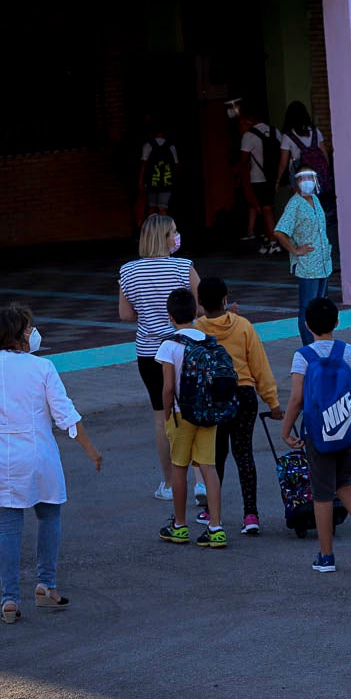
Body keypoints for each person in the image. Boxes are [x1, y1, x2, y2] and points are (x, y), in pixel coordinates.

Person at [0, 304, 102, 623]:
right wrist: (91, 450)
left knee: (6, 528)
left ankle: (9, 599)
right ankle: (46, 586)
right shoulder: (43, 368)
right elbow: (66, 415)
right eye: (28, 327)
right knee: (49, 516)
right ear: (22, 335)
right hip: (37, 455)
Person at [280, 297, 351, 573]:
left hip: (319, 434)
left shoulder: (303, 356)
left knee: (323, 494)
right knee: (345, 480)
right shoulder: (348, 352)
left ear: (306, 324)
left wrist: (285, 429)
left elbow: (296, 399)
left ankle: (326, 557)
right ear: (337, 322)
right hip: (350, 430)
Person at [118, 214, 202, 502]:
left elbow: (125, 314)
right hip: (184, 348)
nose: (177, 237)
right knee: (194, 410)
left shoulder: (128, 271)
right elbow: (200, 306)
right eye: (174, 232)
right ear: (166, 237)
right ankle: (200, 481)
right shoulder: (183, 267)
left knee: (162, 417)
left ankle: (168, 483)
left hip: (149, 352)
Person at [195, 277, 283, 535]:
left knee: (216, 457)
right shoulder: (243, 326)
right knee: (244, 455)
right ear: (225, 300)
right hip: (244, 395)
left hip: (214, 399)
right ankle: (251, 514)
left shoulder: (197, 330)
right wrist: (273, 401)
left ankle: (213, 512)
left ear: (200, 302)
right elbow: (260, 366)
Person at [156, 289, 227, 549]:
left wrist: (167, 416)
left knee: (179, 467)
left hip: (180, 413)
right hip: (208, 412)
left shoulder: (169, 345)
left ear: (170, 316)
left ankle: (180, 525)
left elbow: (166, 388)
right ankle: (216, 527)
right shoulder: (209, 340)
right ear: (196, 311)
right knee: (208, 467)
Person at [274, 168, 333, 346]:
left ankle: (320, 341)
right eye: (302, 178)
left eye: (311, 177)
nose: (307, 181)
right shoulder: (295, 204)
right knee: (307, 309)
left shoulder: (315, 199)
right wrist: (295, 250)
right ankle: (309, 345)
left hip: (323, 262)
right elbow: (279, 231)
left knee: (320, 306)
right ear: (296, 182)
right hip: (308, 264)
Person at [238, 111, 283, 254]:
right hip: (274, 177)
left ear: (249, 121)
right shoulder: (275, 131)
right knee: (270, 208)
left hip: (258, 178)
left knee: (265, 209)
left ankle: (273, 242)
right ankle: (270, 238)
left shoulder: (248, 135)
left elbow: (243, 160)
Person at [276, 101, 333, 208]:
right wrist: (326, 171)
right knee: (318, 204)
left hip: (299, 172)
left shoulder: (288, 136)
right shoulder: (316, 131)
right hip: (317, 172)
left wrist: (278, 179)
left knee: (302, 205)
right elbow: (324, 154)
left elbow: (283, 163)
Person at [139, 124, 179, 216]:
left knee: (152, 209)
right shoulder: (171, 146)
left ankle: (153, 229)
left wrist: (140, 181)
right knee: (163, 209)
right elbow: (176, 165)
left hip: (152, 182)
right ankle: (163, 229)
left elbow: (144, 166)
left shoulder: (148, 145)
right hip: (167, 182)